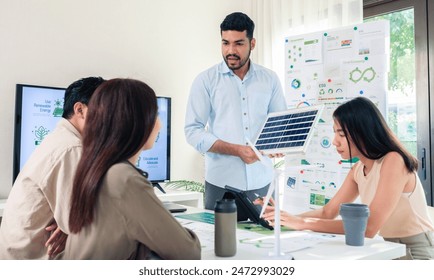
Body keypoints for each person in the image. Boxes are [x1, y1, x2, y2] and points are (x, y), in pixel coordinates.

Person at [258, 96, 434, 260]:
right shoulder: (358, 170)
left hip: (416, 250)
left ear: (363, 132)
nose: (335, 141)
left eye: (341, 134)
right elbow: (328, 213)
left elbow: (368, 227)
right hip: (388, 247)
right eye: (335, 133)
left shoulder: (393, 161)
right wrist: (284, 218)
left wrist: (301, 223)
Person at [62, 78, 201, 260]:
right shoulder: (123, 178)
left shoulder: (95, 167)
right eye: (155, 114)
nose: (159, 124)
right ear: (137, 121)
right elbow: (188, 252)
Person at [184, 12, 287, 220]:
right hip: (221, 184)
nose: (231, 51)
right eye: (225, 43)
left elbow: (280, 124)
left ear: (252, 43)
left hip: (263, 183)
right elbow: (192, 131)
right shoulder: (205, 81)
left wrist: (279, 144)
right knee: (220, 246)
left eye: (239, 43)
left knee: (265, 244)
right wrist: (236, 150)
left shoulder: (270, 80)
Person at [0, 77, 105, 259]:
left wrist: (68, 227)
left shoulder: (61, 139)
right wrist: (70, 227)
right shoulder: (72, 149)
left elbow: (73, 221)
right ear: (79, 109)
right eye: (107, 109)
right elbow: (85, 228)